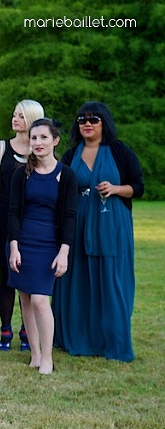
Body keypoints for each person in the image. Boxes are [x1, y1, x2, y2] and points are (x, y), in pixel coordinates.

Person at [52, 102, 144, 362]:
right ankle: (76, 338)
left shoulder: (119, 151)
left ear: (104, 123)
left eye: (94, 119)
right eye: (82, 120)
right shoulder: (71, 155)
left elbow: (138, 187)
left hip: (111, 224)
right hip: (78, 224)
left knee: (112, 281)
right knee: (76, 281)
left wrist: (115, 189)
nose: (87, 124)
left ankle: (112, 341)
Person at [8, 119, 78, 375]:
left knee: (39, 300)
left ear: (55, 141)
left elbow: (69, 216)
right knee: (25, 298)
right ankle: (35, 354)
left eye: (43, 138)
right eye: (34, 138)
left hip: (49, 244)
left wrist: (64, 252)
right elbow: (13, 212)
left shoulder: (66, 175)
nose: (37, 143)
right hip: (22, 243)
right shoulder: (22, 173)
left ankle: (47, 357)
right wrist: (14, 247)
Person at [0, 100, 44, 351]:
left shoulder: (41, 148)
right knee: (6, 276)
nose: (15, 119)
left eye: (21, 116)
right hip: (4, 219)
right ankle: (5, 331)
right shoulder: (0, 147)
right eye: (14, 114)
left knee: (30, 276)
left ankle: (28, 331)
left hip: (33, 221)